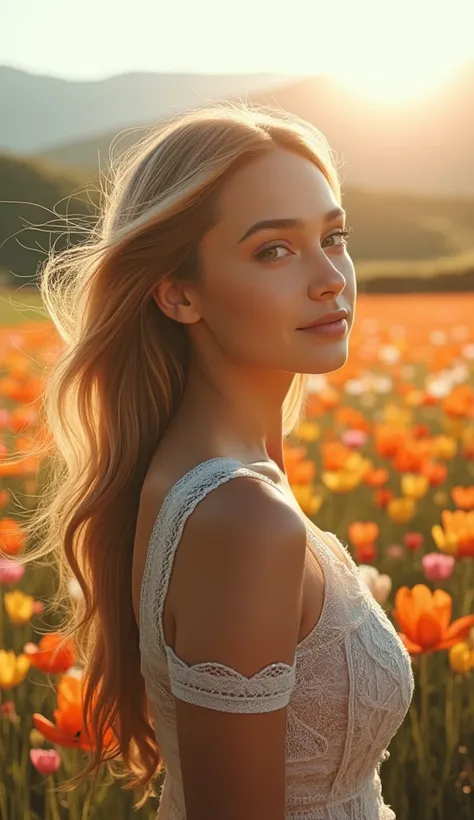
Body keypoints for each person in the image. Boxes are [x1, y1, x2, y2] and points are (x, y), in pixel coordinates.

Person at [25, 103, 414, 819]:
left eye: (335, 237)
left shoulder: (208, 469)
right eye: (275, 250)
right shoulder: (241, 519)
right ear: (178, 293)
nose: (331, 277)